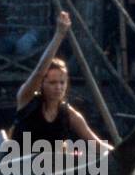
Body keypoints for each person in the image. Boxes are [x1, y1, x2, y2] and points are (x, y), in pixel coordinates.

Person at [10, 10, 110, 150]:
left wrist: (122, 154)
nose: (58, 87)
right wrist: (59, 35)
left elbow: (97, 143)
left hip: (49, 163)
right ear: (42, 84)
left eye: (62, 82)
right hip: (18, 162)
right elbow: (39, 71)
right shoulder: (26, 99)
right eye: (52, 83)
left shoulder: (68, 113)